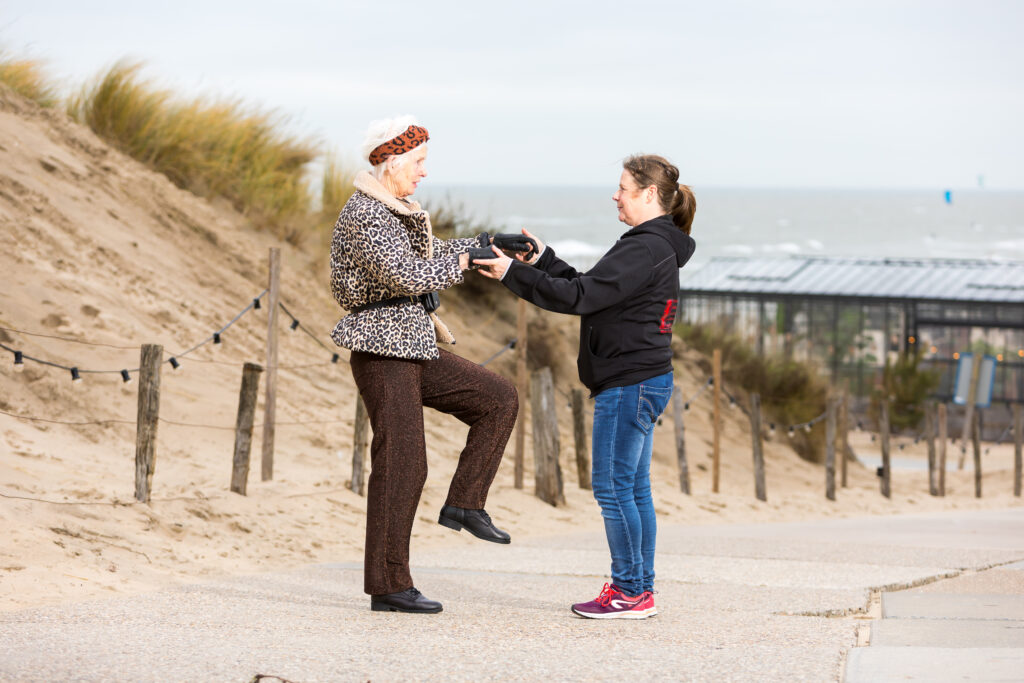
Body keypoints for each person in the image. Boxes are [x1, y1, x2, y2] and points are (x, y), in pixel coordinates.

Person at [477, 154, 696, 619]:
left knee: (615, 489)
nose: (615, 195)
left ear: (649, 194)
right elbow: (591, 288)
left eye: (622, 188)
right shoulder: (652, 245)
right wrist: (541, 260)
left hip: (630, 382)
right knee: (632, 489)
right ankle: (638, 590)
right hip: (643, 377)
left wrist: (511, 273)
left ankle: (629, 592)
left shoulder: (645, 247)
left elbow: (581, 298)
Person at [330, 115, 518, 614]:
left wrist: (485, 247)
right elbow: (410, 274)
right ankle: (388, 586)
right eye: (418, 163)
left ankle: (465, 503)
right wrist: (459, 263)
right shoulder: (365, 214)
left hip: (413, 346)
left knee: (498, 398)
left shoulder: (395, 210)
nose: (423, 172)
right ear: (390, 163)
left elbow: (431, 254)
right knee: (402, 465)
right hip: (383, 348)